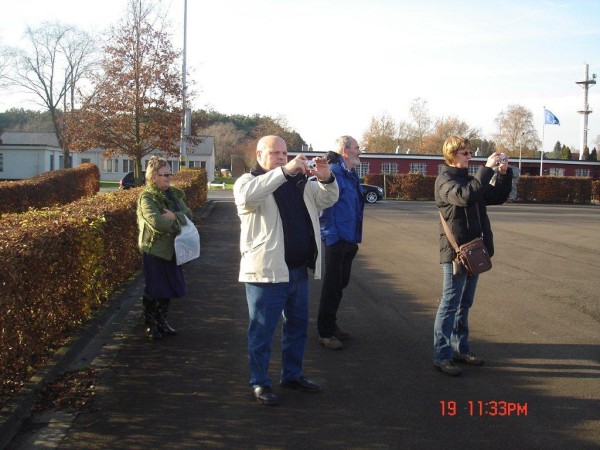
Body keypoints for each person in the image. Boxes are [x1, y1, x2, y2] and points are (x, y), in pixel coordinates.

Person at [234, 135, 339, 405]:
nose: (282, 157)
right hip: (266, 273)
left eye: (284, 153)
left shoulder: (298, 183)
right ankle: (260, 382)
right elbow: (248, 197)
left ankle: (292, 375)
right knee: (262, 331)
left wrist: (326, 178)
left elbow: (327, 199)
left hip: (297, 270)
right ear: (259, 155)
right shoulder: (247, 181)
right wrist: (284, 172)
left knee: (297, 327)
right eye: (275, 153)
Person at [433, 136, 513, 376]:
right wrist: (486, 169)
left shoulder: (471, 180)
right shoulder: (445, 181)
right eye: (465, 153)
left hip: (474, 251)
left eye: (470, 152)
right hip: (456, 253)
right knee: (450, 304)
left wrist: (503, 173)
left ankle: (460, 348)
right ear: (452, 156)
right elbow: (465, 196)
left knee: (464, 303)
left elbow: (496, 196)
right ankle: (442, 356)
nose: (470, 156)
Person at [137, 156, 193, 340]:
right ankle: (150, 323)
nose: (169, 178)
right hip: (155, 250)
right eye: (165, 175)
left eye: (170, 174)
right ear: (153, 176)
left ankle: (162, 321)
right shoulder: (147, 197)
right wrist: (180, 223)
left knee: (168, 288)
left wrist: (175, 216)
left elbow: (189, 214)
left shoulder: (174, 195)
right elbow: (157, 223)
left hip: (173, 249)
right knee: (154, 288)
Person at [317, 135, 364, 350]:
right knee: (332, 286)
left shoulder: (350, 174)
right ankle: (325, 332)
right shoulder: (333, 173)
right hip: (336, 238)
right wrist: (332, 235)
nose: (359, 152)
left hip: (349, 238)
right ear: (345, 151)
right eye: (356, 148)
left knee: (340, 284)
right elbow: (324, 205)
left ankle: (332, 325)